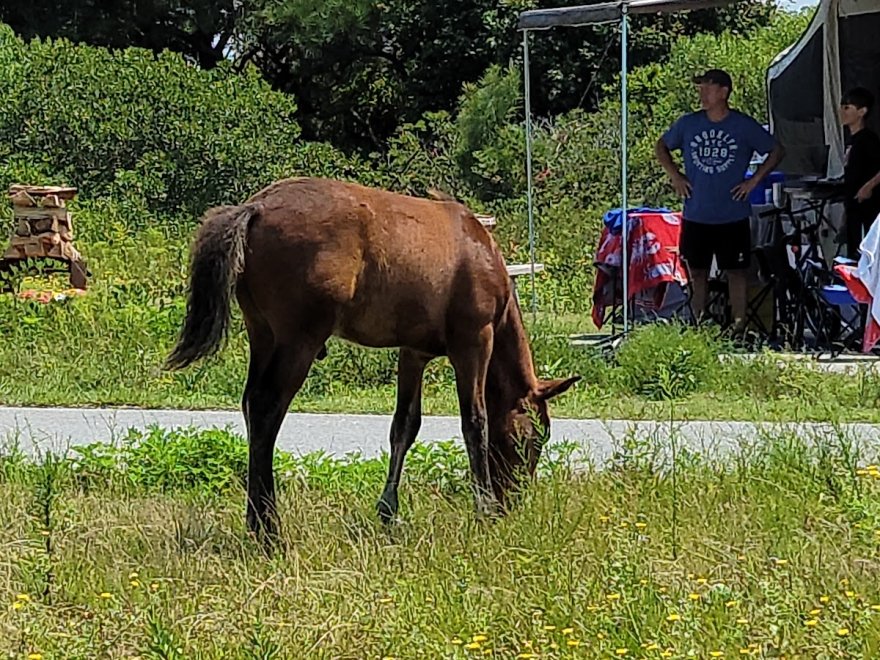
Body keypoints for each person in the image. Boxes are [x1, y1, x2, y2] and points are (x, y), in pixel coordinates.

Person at [655, 68, 785, 333]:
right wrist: (676, 176)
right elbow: (662, 146)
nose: (702, 93)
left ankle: (739, 326)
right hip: (696, 212)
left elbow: (776, 150)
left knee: (736, 272)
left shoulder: (742, 125)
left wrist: (754, 181)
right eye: (700, 88)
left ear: (724, 92)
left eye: (708, 88)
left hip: (732, 213)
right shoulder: (689, 123)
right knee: (697, 270)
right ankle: (699, 324)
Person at [839, 86, 880, 260]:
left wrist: (868, 186)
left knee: (867, 256)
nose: (842, 112)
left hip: (868, 208)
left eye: (847, 107)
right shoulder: (851, 140)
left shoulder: (868, 139)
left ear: (862, 111)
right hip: (853, 206)